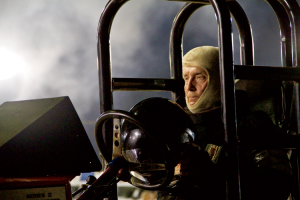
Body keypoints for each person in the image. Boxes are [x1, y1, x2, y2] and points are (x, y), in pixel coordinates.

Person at [157, 46, 292, 200]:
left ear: (218, 79)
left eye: (199, 77)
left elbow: (277, 187)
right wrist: (134, 168)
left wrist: (211, 175)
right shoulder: (176, 125)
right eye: (186, 78)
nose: (189, 87)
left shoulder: (250, 124)